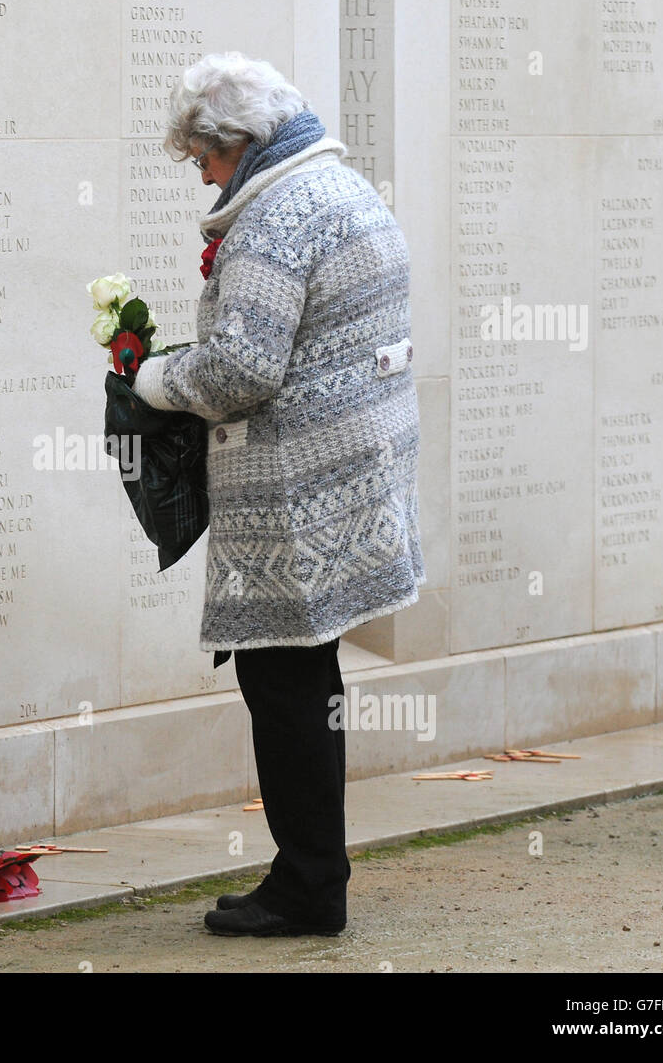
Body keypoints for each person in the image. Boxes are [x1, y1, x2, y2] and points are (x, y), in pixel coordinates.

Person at [131, 51, 425, 938]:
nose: (205, 175)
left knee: (283, 678)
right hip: (359, 470)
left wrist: (148, 380)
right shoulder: (341, 189)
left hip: (298, 491)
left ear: (238, 142)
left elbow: (239, 369)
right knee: (306, 674)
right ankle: (308, 865)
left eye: (204, 159)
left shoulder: (273, 220)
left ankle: (307, 888)